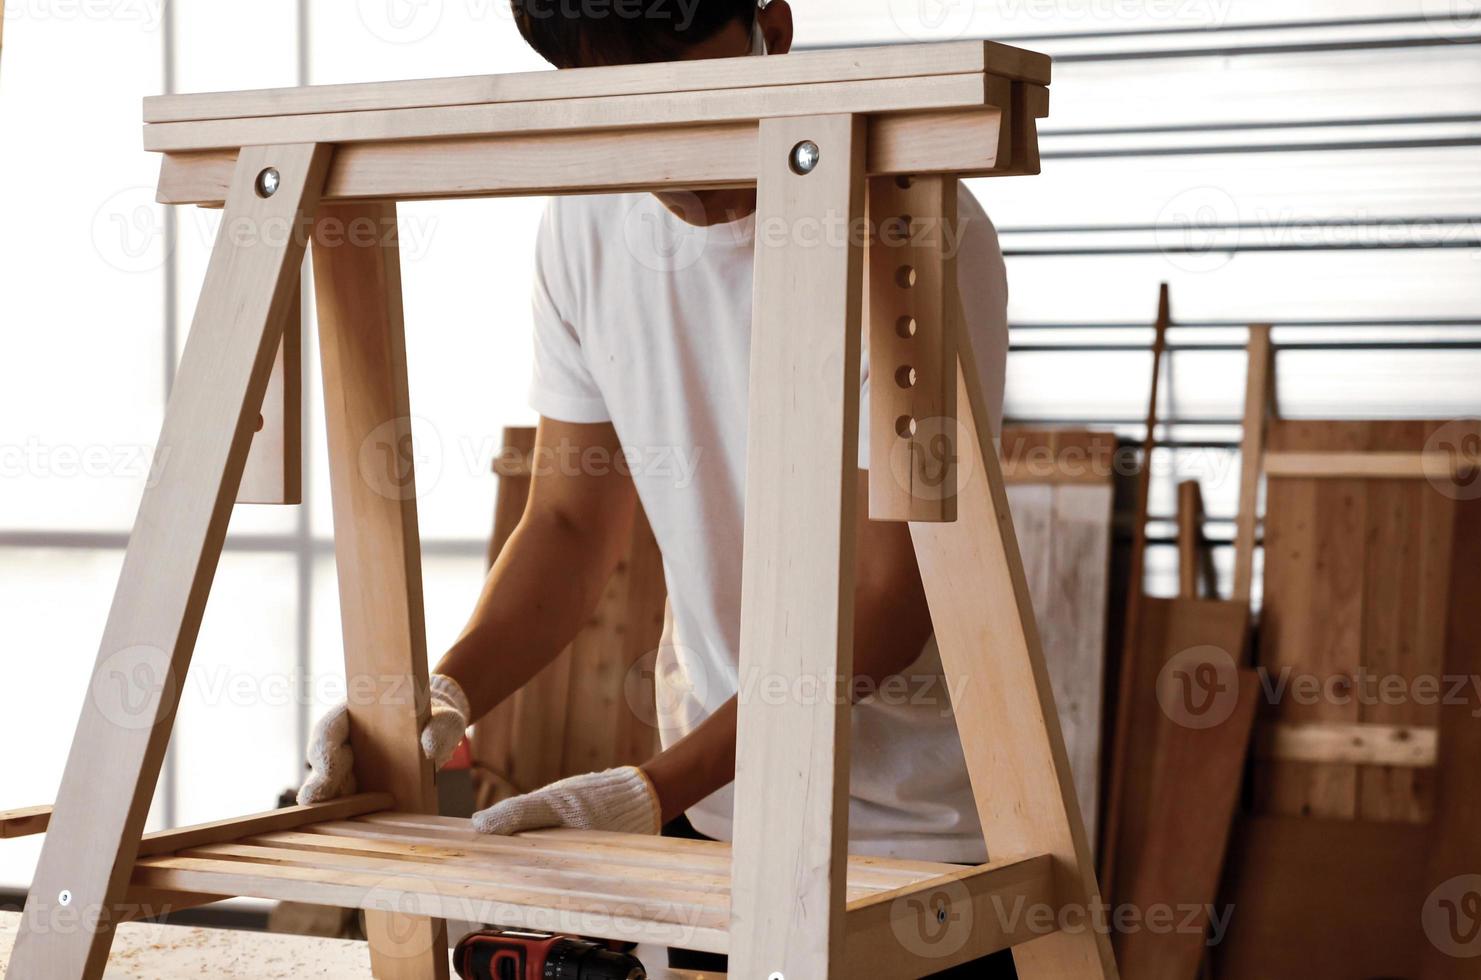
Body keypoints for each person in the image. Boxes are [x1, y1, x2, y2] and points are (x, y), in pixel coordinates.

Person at [299, 2, 1013, 975]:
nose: (670, 165)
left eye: (690, 96)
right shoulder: (584, 226)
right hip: (719, 812)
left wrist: (639, 788)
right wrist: (438, 697)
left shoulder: (912, 232)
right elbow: (563, 521)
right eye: (620, 108)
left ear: (772, 27)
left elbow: (887, 602)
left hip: (918, 835)